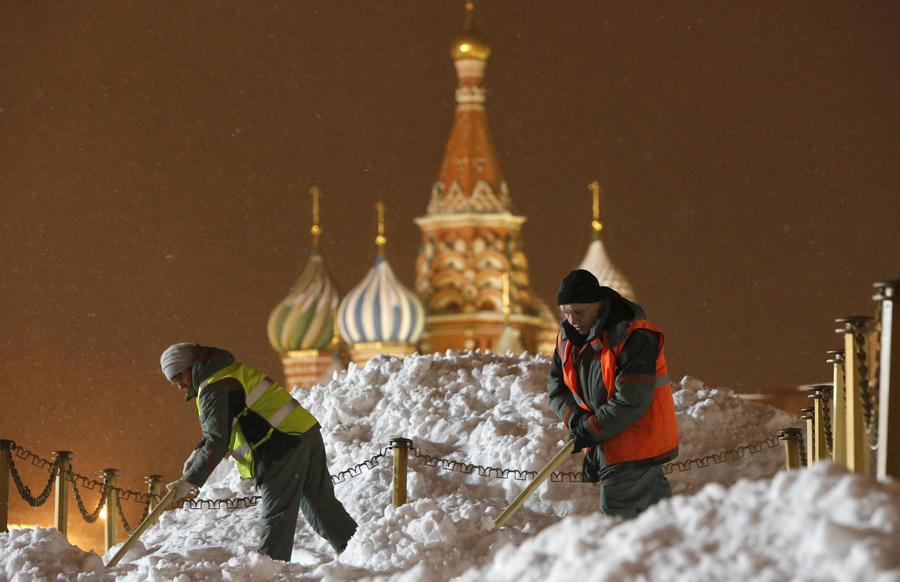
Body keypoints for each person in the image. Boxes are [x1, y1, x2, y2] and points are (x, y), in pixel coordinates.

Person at [159, 342, 357, 561]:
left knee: (276, 517)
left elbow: (217, 439)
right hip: (303, 431)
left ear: (192, 366)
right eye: (174, 381)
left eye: (179, 376)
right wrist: (196, 456)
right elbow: (222, 427)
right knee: (321, 505)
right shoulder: (229, 372)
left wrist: (190, 481)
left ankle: (270, 569)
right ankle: (359, 551)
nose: (180, 385)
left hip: (279, 445)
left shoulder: (214, 387)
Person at [548, 269, 679, 518]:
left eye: (579, 312)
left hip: (633, 446)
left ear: (597, 305)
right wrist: (576, 420)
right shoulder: (566, 340)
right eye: (566, 312)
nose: (572, 320)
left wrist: (589, 430)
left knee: (618, 528)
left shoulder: (633, 336)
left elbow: (631, 399)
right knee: (660, 527)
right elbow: (557, 390)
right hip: (610, 447)